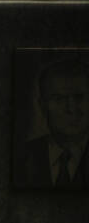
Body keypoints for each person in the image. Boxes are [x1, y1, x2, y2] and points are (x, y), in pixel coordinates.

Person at [15, 58, 89, 189]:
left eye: (79, 97)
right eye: (59, 99)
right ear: (43, 107)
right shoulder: (22, 157)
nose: (71, 108)